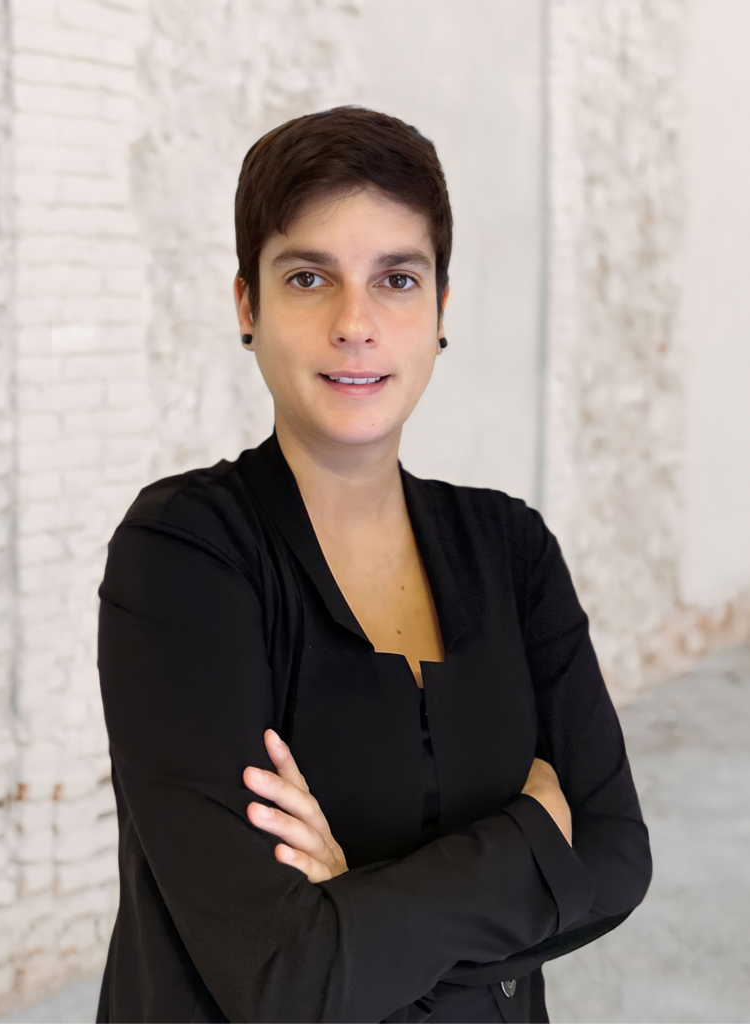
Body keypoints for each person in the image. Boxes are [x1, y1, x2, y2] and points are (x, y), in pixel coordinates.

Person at [95, 105, 652, 1024]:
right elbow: (284, 980)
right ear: (248, 306)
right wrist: (530, 847)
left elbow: (618, 858)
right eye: (308, 277)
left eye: (396, 278)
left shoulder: (511, 548)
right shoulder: (183, 555)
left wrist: (354, 906)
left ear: (440, 309)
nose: (355, 323)